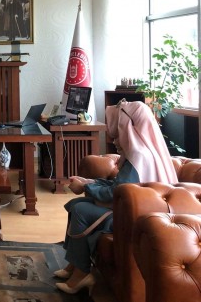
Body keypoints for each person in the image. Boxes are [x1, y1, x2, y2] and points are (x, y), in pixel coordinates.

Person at [55, 100, 177, 295]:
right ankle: (74, 264)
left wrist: (86, 187)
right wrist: (89, 182)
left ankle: (81, 273)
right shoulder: (143, 151)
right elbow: (119, 186)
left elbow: (117, 192)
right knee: (76, 204)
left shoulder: (138, 155)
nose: (114, 133)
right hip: (130, 210)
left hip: (134, 218)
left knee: (80, 209)